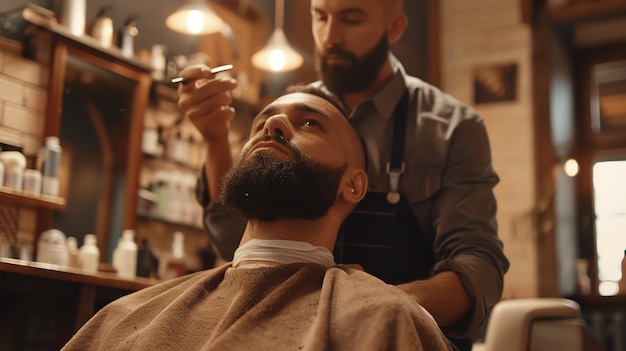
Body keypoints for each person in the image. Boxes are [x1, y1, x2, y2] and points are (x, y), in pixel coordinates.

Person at [177, 0, 509, 349]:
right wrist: (215, 139)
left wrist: (373, 309)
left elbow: (478, 267)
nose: (329, 36)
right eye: (320, 17)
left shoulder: (453, 128)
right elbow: (240, 243)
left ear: (394, 27)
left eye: (351, 19)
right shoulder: (292, 109)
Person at [61, 86, 453, 351]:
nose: (273, 125)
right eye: (262, 122)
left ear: (353, 186)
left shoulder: (381, 320)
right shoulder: (124, 317)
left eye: (310, 122)